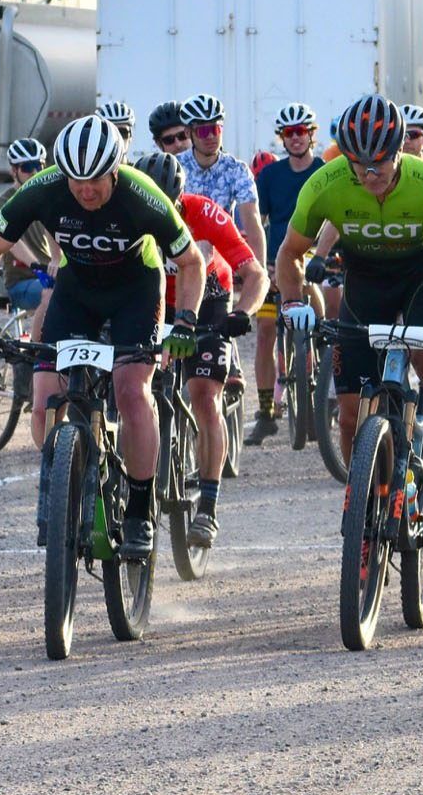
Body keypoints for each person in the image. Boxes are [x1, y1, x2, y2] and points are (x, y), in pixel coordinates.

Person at [0, 115, 206, 557]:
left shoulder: (142, 196)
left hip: (136, 291)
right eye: (76, 182)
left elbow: (191, 262)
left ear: (115, 171)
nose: (85, 190)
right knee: (45, 399)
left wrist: (185, 323)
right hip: (77, 292)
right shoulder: (43, 189)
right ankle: (68, 481)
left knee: (132, 390)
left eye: (95, 181)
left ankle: (138, 507)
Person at [276, 95, 423, 502]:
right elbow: (289, 252)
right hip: (365, 282)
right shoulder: (324, 184)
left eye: (380, 164)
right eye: (359, 165)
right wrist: (291, 302)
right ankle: (370, 508)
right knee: (351, 414)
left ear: (399, 153)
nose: (370, 174)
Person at [136, 152, 268, 546]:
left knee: (203, 396)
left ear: (181, 200)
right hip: (156, 300)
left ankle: (208, 507)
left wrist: (244, 312)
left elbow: (255, 273)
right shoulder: (130, 215)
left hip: (209, 298)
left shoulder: (205, 214)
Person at [249, 102, 324, 445]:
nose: (295, 138)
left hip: (314, 260)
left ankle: (322, 391)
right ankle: (267, 412)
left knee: (322, 316)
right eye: (289, 133)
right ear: (282, 138)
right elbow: (258, 223)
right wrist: (261, 264)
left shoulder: (325, 172)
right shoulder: (269, 176)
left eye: (301, 132)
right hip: (276, 262)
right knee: (265, 329)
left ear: (312, 134)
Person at [176, 94, 265, 265]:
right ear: (188, 133)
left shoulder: (237, 170)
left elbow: (252, 222)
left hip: (221, 258)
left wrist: (260, 274)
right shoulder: (176, 167)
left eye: (215, 129)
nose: (210, 136)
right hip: (183, 256)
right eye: (203, 131)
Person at [0, 138, 60, 319]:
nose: (35, 172)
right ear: (13, 171)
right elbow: (12, 243)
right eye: (27, 167)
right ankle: (38, 347)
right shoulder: (3, 202)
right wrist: (37, 266)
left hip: (51, 275)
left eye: (39, 166)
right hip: (22, 281)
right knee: (55, 295)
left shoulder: (47, 197)